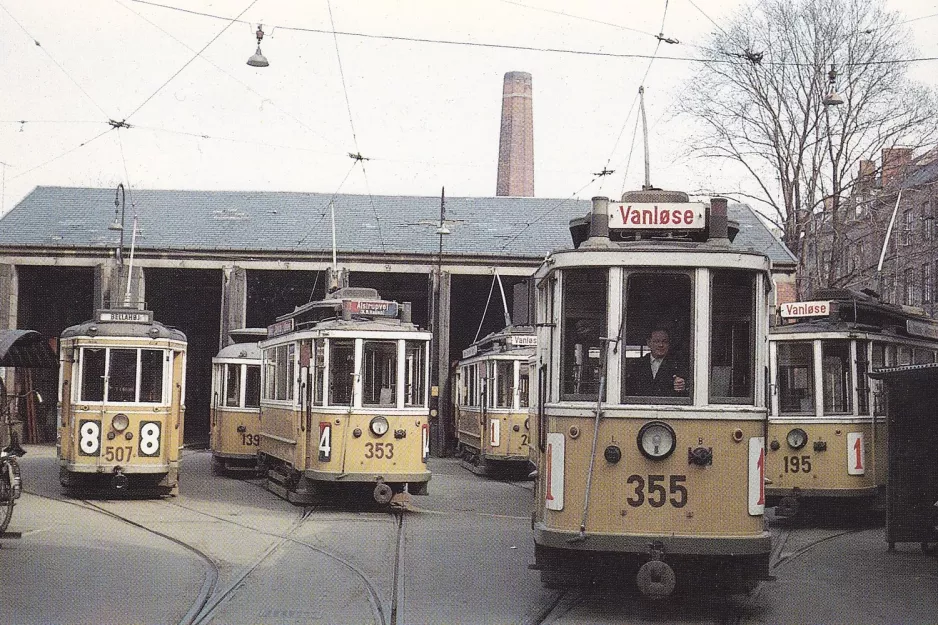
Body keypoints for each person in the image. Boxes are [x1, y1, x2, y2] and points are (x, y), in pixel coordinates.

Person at [627, 328, 686, 396]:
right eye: (657, 341)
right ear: (649, 343)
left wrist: (682, 386)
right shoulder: (636, 365)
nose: (661, 345)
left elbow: (687, 388)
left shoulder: (678, 364)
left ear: (669, 344)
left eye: (664, 341)